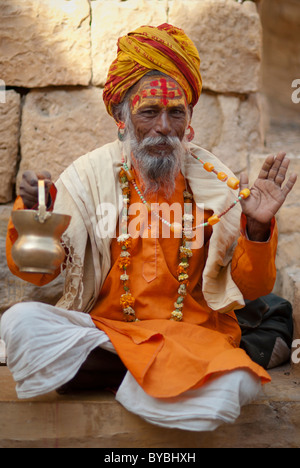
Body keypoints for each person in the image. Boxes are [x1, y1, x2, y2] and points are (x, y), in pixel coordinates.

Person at [1, 24, 297, 432]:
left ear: (189, 123)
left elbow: (250, 290)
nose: (163, 127)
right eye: (149, 112)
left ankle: (114, 376)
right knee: (21, 324)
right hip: (108, 331)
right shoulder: (85, 179)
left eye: (176, 113)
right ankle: (147, 381)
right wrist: (35, 215)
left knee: (240, 383)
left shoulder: (215, 182)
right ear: (122, 120)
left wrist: (258, 228)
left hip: (190, 339)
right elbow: (38, 273)